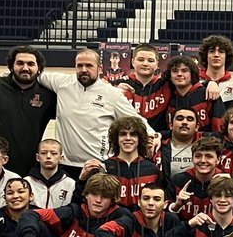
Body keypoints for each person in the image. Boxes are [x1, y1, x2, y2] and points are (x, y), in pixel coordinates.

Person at [37, 48, 152, 181]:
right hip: (65, 165)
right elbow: (34, 74)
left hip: (98, 165)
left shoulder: (112, 94)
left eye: (89, 65)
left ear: (100, 68)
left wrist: (154, 135)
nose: (84, 69)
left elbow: (135, 119)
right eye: (80, 65)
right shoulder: (62, 83)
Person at [0, 45, 57, 178]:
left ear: (39, 68)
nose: (25, 68)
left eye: (31, 64)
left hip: (30, 167)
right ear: (11, 66)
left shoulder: (48, 95)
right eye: (20, 63)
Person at [95, 115, 161, 209]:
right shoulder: (104, 167)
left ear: (140, 139)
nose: (128, 138)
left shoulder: (152, 170)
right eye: (123, 134)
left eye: (133, 134)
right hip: (112, 221)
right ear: (116, 138)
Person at [115, 42, 171, 133]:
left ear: (157, 64)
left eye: (150, 60)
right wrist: (115, 94)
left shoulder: (167, 86)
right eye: (141, 60)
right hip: (128, 141)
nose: (145, 64)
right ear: (133, 62)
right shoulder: (119, 85)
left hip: (158, 141)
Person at [166, 53, 226, 135]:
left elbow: (219, 127)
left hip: (204, 145)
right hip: (176, 146)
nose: (179, 74)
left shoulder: (209, 94)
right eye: (175, 71)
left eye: (184, 71)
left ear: (192, 74)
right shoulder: (168, 96)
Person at [170, 136, 226, 221]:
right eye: (198, 156)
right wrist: (176, 206)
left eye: (209, 156)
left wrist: (230, 184)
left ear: (218, 160)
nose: (203, 160)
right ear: (192, 158)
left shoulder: (226, 182)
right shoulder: (178, 180)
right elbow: (165, 216)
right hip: (184, 231)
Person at [25, 139, 77, 208]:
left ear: (61, 158)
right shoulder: (27, 182)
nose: (48, 156)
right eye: (43, 153)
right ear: (37, 157)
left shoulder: (70, 184)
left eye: (54, 153)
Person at [199, 34, 233, 103]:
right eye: (212, 51)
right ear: (205, 55)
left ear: (227, 56)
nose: (216, 55)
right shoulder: (195, 83)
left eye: (221, 52)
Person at [159, 108, 200, 182]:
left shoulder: (205, 148)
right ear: (171, 125)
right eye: (180, 119)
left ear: (197, 127)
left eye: (190, 119)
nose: (184, 122)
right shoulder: (159, 147)